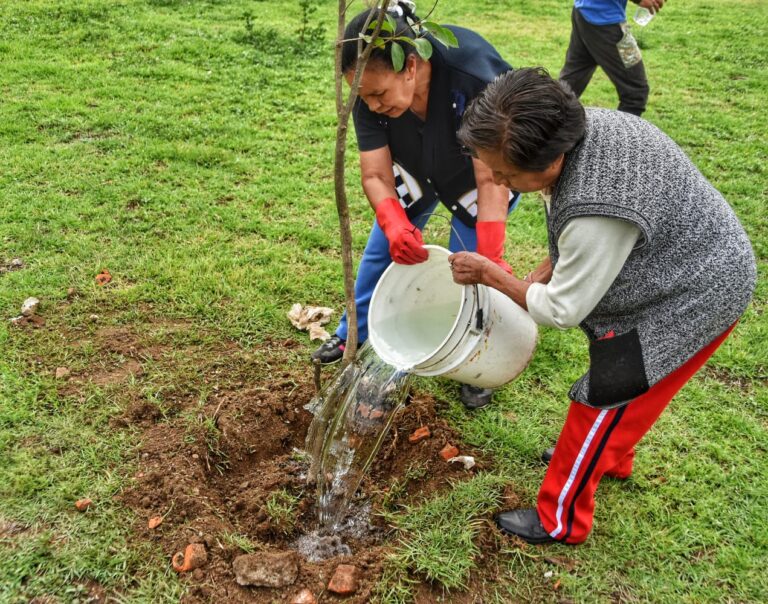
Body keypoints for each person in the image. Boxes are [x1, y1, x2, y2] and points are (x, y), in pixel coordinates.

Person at [450, 68, 756, 544]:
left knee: (605, 398)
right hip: (683, 260)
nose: (494, 179)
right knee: (626, 401)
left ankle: (561, 519)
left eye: (506, 174)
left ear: (552, 160)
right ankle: (610, 457)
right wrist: (539, 271)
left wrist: (495, 275)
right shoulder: (577, 129)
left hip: (695, 294)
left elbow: (560, 310)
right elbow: (578, 249)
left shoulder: (599, 206)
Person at [312, 1, 520, 409]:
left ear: (410, 65)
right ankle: (352, 332)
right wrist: (393, 223)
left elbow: (490, 179)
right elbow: (375, 173)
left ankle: (477, 354)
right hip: (414, 164)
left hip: (480, 174)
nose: (372, 106)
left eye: (378, 94)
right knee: (381, 253)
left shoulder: (473, 77)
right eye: (364, 97)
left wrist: (490, 258)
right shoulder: (365, 91)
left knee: (473, 267)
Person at [560, 0, 665, 116]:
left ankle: (543, 126)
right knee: (636, 91)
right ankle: (621, 133)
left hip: (586, 12)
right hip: (605, 23)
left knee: (568, 86)